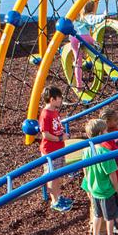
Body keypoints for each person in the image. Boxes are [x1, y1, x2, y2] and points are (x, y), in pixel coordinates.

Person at [79, 117, 118, 235]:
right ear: (100, 135)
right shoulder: (105, 153)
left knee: (97, 215)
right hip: (106, 190)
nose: (107, 133)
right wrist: (115, 188)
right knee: (109, 217)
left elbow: (85, 171)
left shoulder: (86, 151)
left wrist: (89, 187)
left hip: (94, 189)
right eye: (105, 132)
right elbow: (112, 174)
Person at [34, 82, 74, 212]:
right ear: (52, 100)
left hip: (58, 148)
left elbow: (57, 127)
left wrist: (63, 134)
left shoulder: (54, 112)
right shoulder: (45, 114)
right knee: (52, 175)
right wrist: (59, 138)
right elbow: (45, 134)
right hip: (50, 150)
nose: (61, 100)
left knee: (58, 174)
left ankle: (58, 196)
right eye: (59, 98)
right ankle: (54, 201)